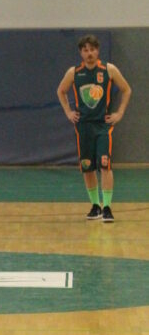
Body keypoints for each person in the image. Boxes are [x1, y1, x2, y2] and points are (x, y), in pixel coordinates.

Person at [57, 34, 132, 222]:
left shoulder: (109, 69)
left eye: (92, 49)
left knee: (105, 165)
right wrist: (68, 112)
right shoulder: (74, 72)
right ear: (81, 53)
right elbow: (61, 91)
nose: (89, 53)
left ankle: (107, 207)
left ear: (97, 51)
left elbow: (126, 89)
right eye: (85, 50)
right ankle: (95, 205)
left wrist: (119, 113)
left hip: (102, 126)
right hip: (83, 126)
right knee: (87, 167)